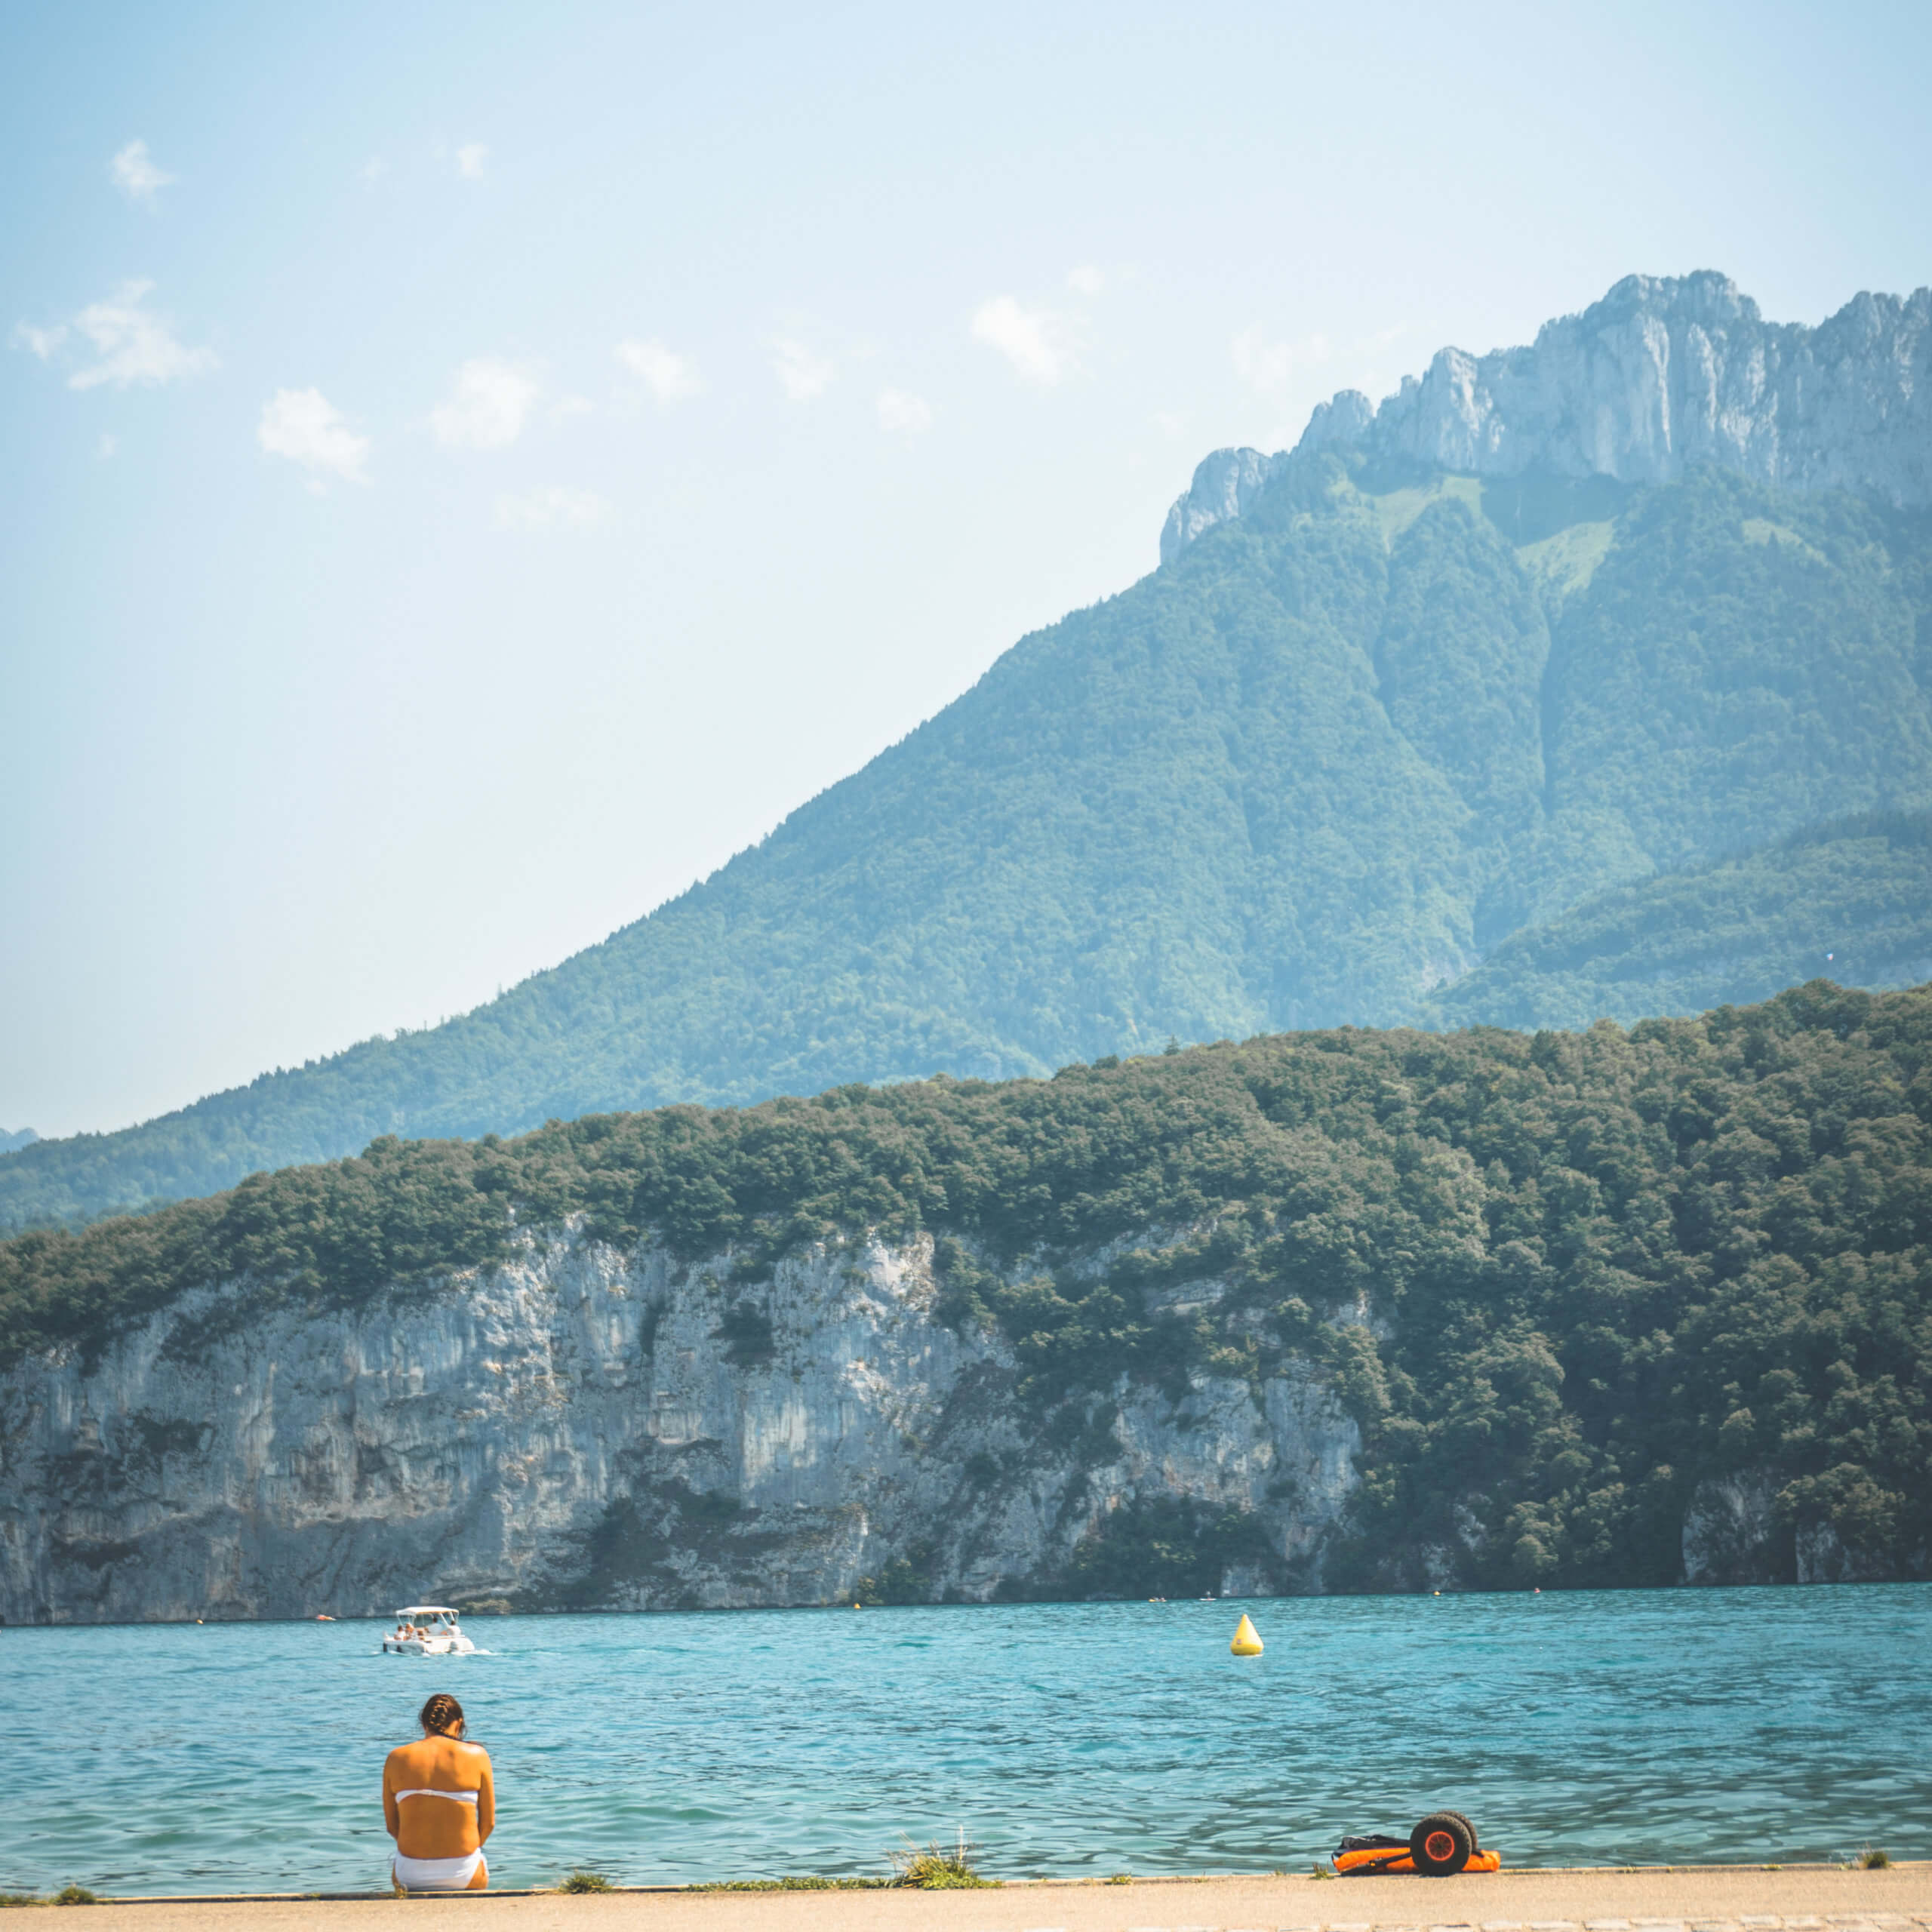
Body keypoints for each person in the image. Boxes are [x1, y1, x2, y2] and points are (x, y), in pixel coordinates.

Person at [383, 1693, 495, 1892]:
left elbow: (392, 1827)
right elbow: (488, 1824)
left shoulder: (396, 1758)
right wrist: (467, 1852)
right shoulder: (477, 1755)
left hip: (409, 1874)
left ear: (424, 1724)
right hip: (464, 1872)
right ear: (459, 1724)